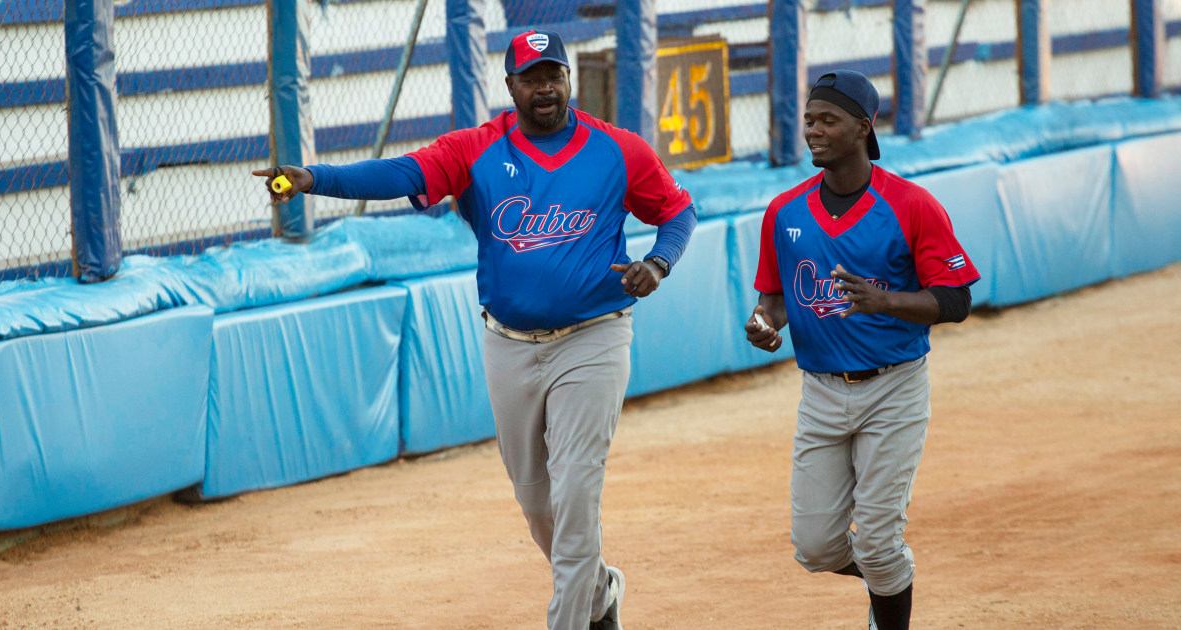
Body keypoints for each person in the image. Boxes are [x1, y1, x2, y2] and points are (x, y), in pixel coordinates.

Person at [254, 30, 697, 630]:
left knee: (574, 491)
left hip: (595, 336)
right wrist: (314, 178)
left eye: (554, 74)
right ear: (510, 85)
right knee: (535, 499)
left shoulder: (617, 149)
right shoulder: (476, 149)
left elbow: (676, 210)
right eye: (531, 77)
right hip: (509, 345)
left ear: (569, 79)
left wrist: (659, 262)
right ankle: (598, 593)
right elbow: (402, 173)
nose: (545, 87)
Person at [744, 70, 979, 630]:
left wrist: (885, 301)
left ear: (863, 127)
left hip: (894, 386)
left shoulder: (911, 204)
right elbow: (773, 300)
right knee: (817, 548)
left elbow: (957, 300)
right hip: (821, 392)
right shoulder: (785, 212)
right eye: (809, 120)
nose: (814, 131)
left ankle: (886, 600)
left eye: (828, 120)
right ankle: (889, 577)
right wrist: (762, 322)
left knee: (875, 539)